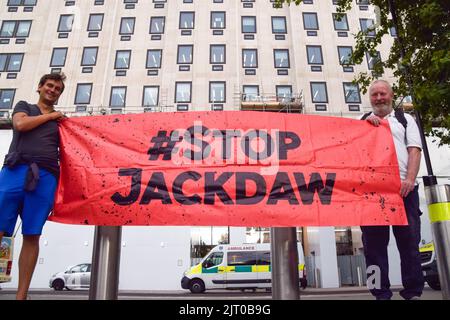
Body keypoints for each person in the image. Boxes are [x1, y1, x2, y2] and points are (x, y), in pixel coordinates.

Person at [0, 73, 66, 300]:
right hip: (15, 170)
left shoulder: (62, 123)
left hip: (45, 178)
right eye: (49, 85)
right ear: (39, 87)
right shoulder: (24, 106)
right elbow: (19, 123)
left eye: (57, 88)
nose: (53, 90)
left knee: (32, 234)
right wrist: (52, 117)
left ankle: (21, 296)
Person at [361, 79, 424, 300]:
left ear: (391, 95)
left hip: (404, 192)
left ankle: (413, 292)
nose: (379, 98)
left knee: (410, 244)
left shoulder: (405, 120)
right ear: (370, 98)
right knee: (373, 248)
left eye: (382, 94)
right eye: (375, 95)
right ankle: (379, 294)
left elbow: (415, 150)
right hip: (372, 195)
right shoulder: (361, 123)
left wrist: (409, 179)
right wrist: (365, 128)